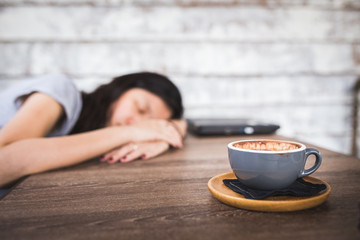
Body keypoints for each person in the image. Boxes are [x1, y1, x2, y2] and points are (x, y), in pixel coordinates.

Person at [0, 72, 187, 188]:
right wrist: (130, 132)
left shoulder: (83, 134)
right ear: (120, 89)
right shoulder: (60, 88)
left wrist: (172, 129)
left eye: (150, 124)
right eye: (140, 108)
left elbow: (184, 122)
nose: (137, 122)